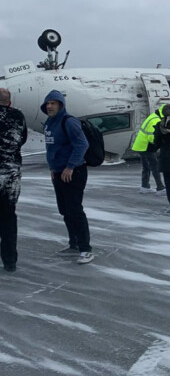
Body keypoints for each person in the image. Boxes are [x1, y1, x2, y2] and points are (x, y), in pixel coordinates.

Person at [41, 90, 93, 263]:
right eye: (48, 103)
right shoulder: (49, 123)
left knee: (74, 210)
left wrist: (70, 167)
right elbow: (52, 149)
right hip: (58, 172)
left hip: (73, 172)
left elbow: (82, 144)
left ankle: (86, 249)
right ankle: (74, 243)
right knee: (64, 210)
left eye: (53, 103)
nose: (49, 106)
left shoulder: (69, 122)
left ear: (61, 105)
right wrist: (53, 168)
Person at [0, 87, 28, 272]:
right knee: (9, 217)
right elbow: (22, 139)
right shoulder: (18, 116)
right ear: (9, 102)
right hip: (10, 175)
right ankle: (10, 260)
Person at [132, 105, 167, 194]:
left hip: (140, 145)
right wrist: (160, 143)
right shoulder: (156, 120)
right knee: (155, 166)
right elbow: (151, 136)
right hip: (147, 146)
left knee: (146, 167)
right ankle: (160, 187)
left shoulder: (153, 116)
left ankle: (145, 186)